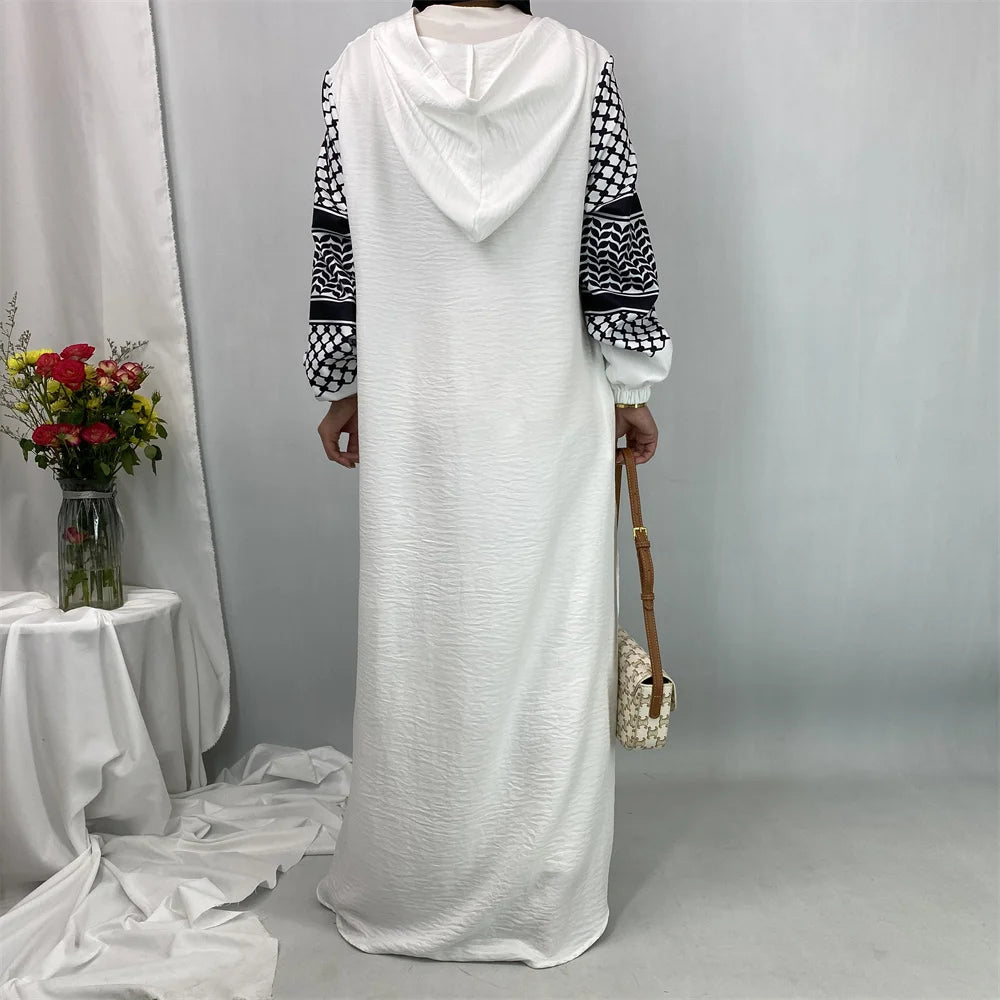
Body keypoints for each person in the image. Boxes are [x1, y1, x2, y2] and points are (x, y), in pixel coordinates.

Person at [303, 0, 672, 968]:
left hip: (415, 406)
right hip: (547, 406)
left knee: (417, 637)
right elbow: (612, 240)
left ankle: (412, 879)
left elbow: (338, 241)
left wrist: (343, 381)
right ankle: (541, 898)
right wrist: (632, 386)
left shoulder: (359, 68)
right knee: (549, 647)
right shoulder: (581, 66)